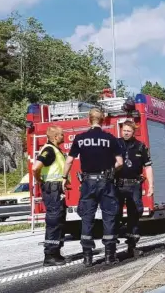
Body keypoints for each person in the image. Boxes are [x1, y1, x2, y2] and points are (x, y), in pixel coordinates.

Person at [63, 108, 124, 267]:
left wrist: (64, 178)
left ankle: (87, 258)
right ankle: (110, 256)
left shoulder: (80, 138)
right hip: (106, 182)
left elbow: (69, 161)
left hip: (88, 183)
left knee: (87, 218)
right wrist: (111, 170)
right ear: (103, 121)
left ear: (88, 120)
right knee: (109, 217)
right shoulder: (110, 139)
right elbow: (120, 162)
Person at [115, 120, 154, 258]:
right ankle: (112, 247)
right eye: (124, 130)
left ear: (133, 132)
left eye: (128, 131)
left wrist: (151, 185)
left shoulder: (140, 147)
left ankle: (132, 245)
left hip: (134, 185)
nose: (125, 133)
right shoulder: (115, 144)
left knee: (136, 212)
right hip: (118, 185)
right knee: (114, 214)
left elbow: (148, 167)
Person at [32, 125, 68, 267]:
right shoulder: (49, 150)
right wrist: (38, 179)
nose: (63, 137)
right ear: (54, 137)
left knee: (59, 221)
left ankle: (56, 252)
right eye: (61, 135)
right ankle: (50, 255)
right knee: (54, 221)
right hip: (52, 188)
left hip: (56, 189)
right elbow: (36, 167)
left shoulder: (56, 150)